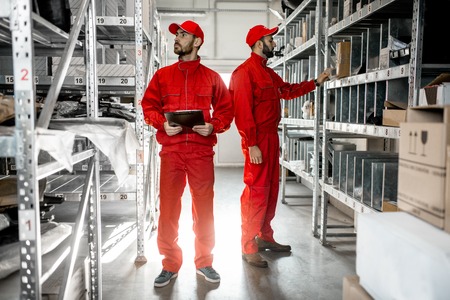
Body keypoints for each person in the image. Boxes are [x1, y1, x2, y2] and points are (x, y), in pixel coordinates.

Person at [229, 24, 331, 268]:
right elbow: (242, 112)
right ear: (258, 43)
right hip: (257, 139)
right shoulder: (244, 73)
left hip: (271, 138)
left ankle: (264, 236)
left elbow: (287, 90)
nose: (274, 43)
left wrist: (316, 82)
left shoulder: (267, 72)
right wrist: (252, 143)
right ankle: (248, 245)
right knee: (257, 192)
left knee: (271, 189)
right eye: (270, 40)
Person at [141, 20, 234, 287]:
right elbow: (148, 108)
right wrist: (162, 124)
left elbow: (227, 111)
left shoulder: (212, 78)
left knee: (203, 210)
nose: (177, 38)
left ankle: (204, 262)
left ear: (197, 41)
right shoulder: (162, 76)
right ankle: (170, 263)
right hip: (171, 152)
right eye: (177, 35)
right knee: (168, 210)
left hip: (201, 153)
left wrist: (212, 126)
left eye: (183, 34)